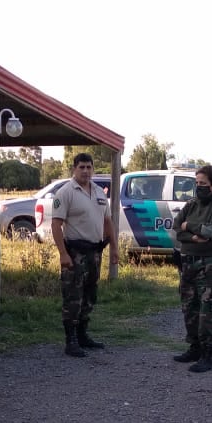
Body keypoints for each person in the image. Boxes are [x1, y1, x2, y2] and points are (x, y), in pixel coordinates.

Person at [51, 152, 119, 357]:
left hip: (94, 252)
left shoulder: (99, 191)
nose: (86, 171)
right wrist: (63, 254)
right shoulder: (66, 192)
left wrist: (114, 248)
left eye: (89, 167)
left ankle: (82, 335)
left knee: (90, 296)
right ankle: (70, 340)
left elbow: (108, 222)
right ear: (74, 169)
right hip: (74, 253)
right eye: (81, 167)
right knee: (73, 297)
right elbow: (56, 225)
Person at [172, 164, 212, 372]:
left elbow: (210, 231)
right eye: (197, 183)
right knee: (190, 305)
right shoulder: (192, 204)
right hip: (189, 261)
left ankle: (209, 353)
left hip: (211, 264)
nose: (199, 187)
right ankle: (194, 347)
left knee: (208, 308)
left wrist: (189, 227)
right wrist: (191, 236)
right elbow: (175, 230)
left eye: (203, 184)